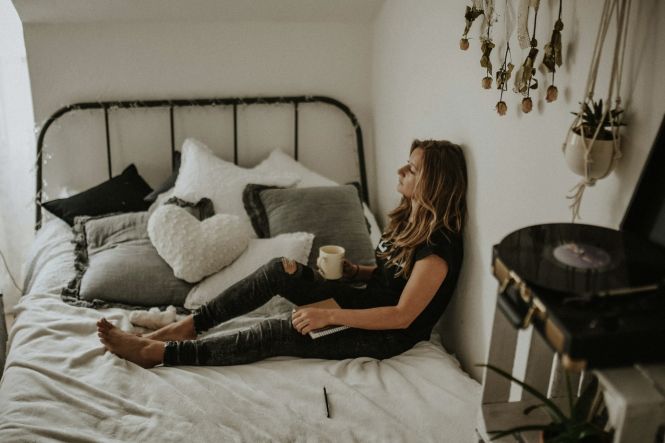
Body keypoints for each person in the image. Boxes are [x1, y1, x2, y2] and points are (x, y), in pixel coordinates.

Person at [97, 139, 468, 368]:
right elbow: (393, 279)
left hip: (384, 334)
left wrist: (326, 315)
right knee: (281, 270)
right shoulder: (409, 220)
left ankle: (161, 354)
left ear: (431, 183)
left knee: (278, 331)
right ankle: (187, 326)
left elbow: (402, 316)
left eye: (413, 168)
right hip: (362, 303)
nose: (401, 169)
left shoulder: (439, 248)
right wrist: (358, 271)